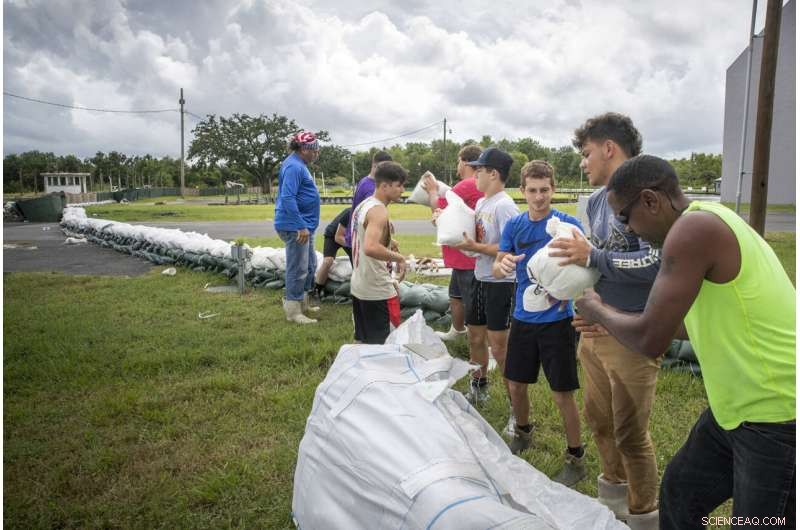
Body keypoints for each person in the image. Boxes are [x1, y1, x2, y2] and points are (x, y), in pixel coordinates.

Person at [575, 155, 795, 530]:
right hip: (735, 410)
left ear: (651, 200)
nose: (626, 229)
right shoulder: (704, 224)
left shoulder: (694, 229)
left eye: (625, 217)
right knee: (679, 495)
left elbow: (651, 340)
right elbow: (675, 326)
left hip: (777, 414)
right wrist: (610, 318)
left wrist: (597, 310)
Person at [547, 113, 660, 527]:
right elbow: (593, 267)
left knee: (631, 433)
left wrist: (593, 256)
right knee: (599, 422)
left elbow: (657, 262)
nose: (583, 162)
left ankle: (644, 514)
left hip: (633, 332)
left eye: (586, 152)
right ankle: (612, 504)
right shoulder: (595, 201)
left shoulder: (648, 195)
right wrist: (586, 302)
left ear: (609, 148)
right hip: (595, 329)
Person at [493, 160, 586, 487]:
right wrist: (503, 264)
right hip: (522, 318)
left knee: (562, 393)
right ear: (522, 191)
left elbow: (585, 270)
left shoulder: (568, 225)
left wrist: (572, 294)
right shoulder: (514, 226)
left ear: (553, 189)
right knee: (516, 384)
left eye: (544, 190)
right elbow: (497, 266)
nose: (538, 197)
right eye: (532, 190)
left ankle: (576, 457)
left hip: (558, 321)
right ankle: (523, 432)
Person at [453, 147, 518, 415]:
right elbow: (476, 238)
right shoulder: (481, 203)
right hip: (479, 277)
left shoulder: (505, 206)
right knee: (475, 337)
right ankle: (479, 387)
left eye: (479, 170)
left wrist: (477, 248)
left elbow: (512, 248)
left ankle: (516, 408)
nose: (474, 175)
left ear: (493, 174)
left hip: (500, 283)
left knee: (499, 347)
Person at [422, 144, 484, 341]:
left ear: (465, 162)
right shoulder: (474, 184)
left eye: (458, 161)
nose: (457, 166)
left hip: (467, 257)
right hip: (463, 256)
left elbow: (438, 209)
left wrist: (432, 190)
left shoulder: (467, 184)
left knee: (471, 302)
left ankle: (482, 342)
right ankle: (457, 331)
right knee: (456, 296)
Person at [350, 161, 408, 344]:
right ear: (384, 186)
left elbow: (363, 237)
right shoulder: (378, 211)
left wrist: (390, 243)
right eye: (399, 185)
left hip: (360, 284)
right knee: (385, 344)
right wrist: (400, 258)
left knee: (363, 342)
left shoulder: (364, 205)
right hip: (377, 289)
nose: (402, 190)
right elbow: (371, 247)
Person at [274, 130, 321, 325]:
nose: (316, 154)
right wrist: (300, 225)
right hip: (296, 227)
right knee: (298, 268)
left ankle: (302, 303)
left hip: (304, 226)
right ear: (303, 149)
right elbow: (287, 197)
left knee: (309, 266)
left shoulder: (299, 164)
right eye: (314, 151)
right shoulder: (294, 166)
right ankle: (293, 311)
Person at [345, 151, 393, 260]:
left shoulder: (365, 181)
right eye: (386, 168)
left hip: (356, 237)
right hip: (362, 241)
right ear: (375, 166)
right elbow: (370, 218)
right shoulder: (371, 188)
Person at [314, 207, 352, 297]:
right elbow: (338, 238)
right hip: (333, 235)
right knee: (328, 261)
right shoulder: (349, 213)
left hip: (348, 238)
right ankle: (317, 290)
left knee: (357, 262)